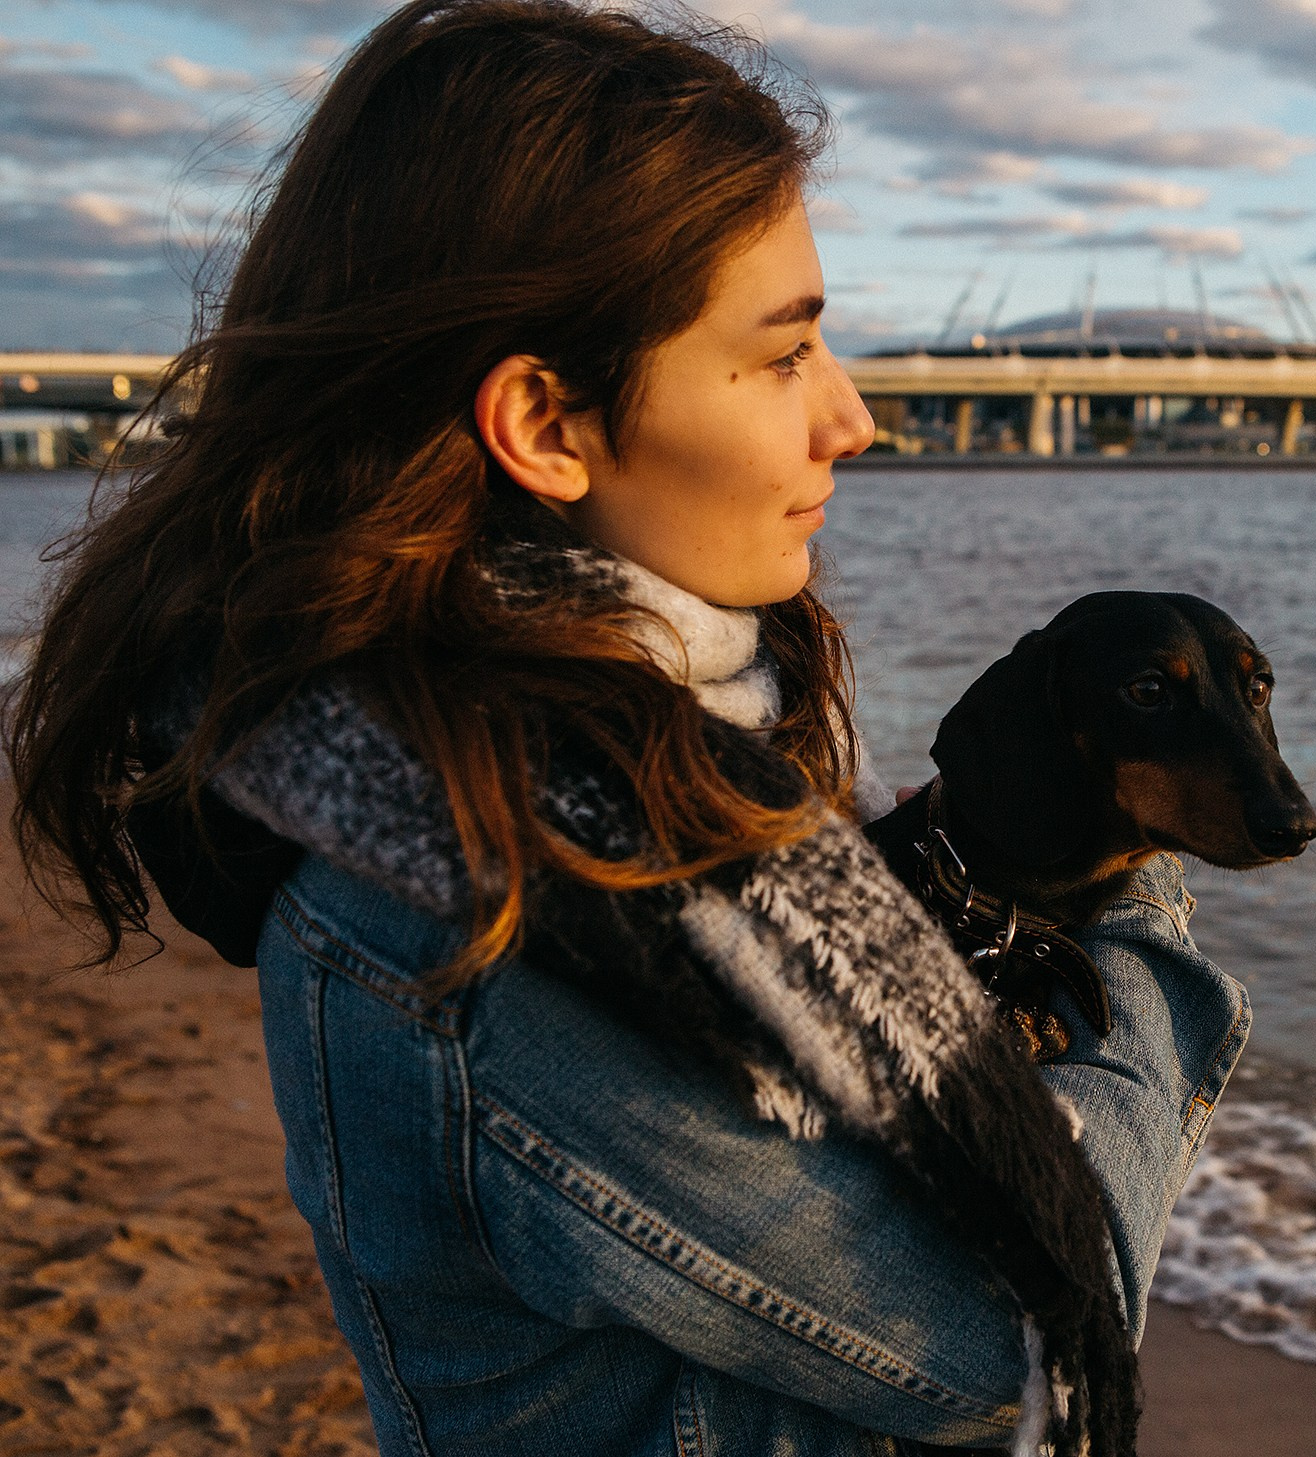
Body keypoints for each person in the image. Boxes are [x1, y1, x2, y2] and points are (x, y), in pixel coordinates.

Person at [6, 3, 1251, 1454]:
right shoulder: (486, 916)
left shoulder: (567, 781)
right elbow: (1021, 1322)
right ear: (545, 423)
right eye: (783, 357)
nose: (850, 420)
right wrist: (1130, 894)